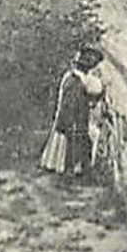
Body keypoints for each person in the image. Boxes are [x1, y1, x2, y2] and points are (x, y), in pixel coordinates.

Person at [42, 49, 104, 180]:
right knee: (72, 140)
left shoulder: (72, 78)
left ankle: (69, 166)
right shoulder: (76, 81)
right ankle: (71, 168)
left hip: (71, 117)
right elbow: (73, 103)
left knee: (71, 138)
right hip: (72, 118)